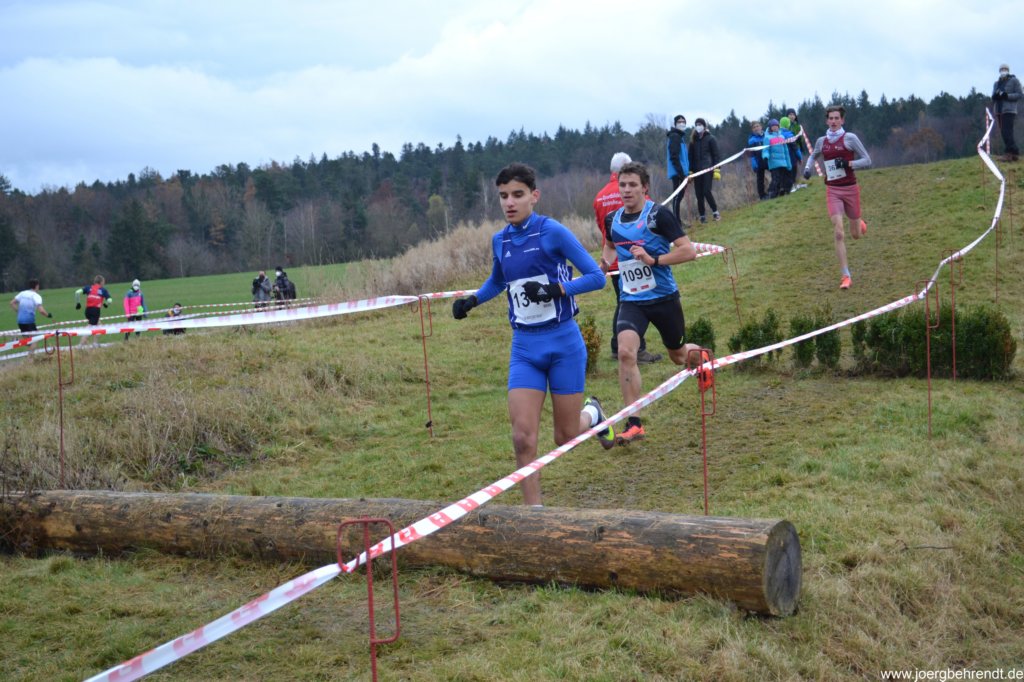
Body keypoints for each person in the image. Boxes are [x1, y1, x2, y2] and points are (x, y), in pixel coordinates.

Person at [451, 163, 613, 507]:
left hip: (564, 344)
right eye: (503, 196)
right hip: (525, 348)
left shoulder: (552, 232)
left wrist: (557, 289)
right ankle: (533, 514)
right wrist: (473, 300)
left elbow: (597, 278)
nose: (509, 203)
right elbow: (499, 280)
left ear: (534, 196)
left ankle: (593, 415)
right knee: (523, 438)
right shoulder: (500, 240)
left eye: (517, 195)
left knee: (564, 436)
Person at [600, 162, 703, 444]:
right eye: (622, 185)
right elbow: (610, 245)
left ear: (644, 188)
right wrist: (605, 263)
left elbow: (689, 251)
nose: (626, 190)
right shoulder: (612, 219)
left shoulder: (659, 215)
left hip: (664, 298)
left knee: (678, 356)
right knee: (625, 353)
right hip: (632, 299)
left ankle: (703, 359)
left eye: (633, 185)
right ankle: (634, 422)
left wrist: (653, 260)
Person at [593, 152, 662, 365]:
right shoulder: (636, 189)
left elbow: (602, 227)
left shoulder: (600, 196)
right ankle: (633, 348)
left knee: (624, 301)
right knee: (634, 304)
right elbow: (649, 219)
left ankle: (621, 346)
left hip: (612, 258)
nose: (627, 189)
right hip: (635, 256)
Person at [802, 105, 873, 290]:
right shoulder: (821, 141)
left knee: (855, 235)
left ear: (842, 120)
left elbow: (867, 160)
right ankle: (846, 276)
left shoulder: (850, 138)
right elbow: (813, 156)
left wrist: (848, 163)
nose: (833, 121)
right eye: (830, 118)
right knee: (839, 232)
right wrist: (807, 169)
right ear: (827, 121)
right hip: (833, 190)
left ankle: (860, 223)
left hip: (850, 189)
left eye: (836, 118)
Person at [688, 118, 721, 223]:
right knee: (699, 194)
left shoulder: (711, 138)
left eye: (700, 124)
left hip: (708, 169)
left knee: (706, 191)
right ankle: (702, 216)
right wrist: (690, 171)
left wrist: (717, 169)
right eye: (696, 124)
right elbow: (690, 157)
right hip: (696, 171)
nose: (698, 126)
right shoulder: (693, 141)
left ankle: (715, 212)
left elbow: (716, 155)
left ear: (704, 126)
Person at [9, 278, 52, 353]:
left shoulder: (23, 293)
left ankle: (17, 340)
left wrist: (19, 312)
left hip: (20, 320)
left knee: (28, 342)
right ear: (37, 286)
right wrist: (48, 315)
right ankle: (30, 358)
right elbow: (41, 310)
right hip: (29, 321)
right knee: (36, 339)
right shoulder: (36, 296)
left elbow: (12, 303)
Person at [992, 63, 1022, 162]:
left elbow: (1020, 94)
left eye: (1005, 69)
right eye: (1002, 69)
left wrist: (1007, 95)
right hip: (999, 111)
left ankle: (1009, 153)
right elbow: (993, 96)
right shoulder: (996, 83)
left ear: (1008, 70)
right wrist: (995, 96)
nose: (1003, 71)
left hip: (1009, 110)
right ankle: (1014, 153)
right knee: (1003, 132)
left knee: (1007, 131)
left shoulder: (1014, 80)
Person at [74, 275, 112, 346]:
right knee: (90, 328)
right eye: (103, 282)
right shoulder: (103, 290)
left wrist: (78, 303)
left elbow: (77, 292)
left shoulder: (88, 288)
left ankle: (95, 343)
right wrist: (106, 304)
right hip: (95, 311)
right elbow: (110, 300)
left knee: (99, 326)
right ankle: (80, 345)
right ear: (101, 282)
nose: (104, 283)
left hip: (87, 310)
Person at [665, 114, 690, 222]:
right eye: (679, 122)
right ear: (675, 124)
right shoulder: (675, 136)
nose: (682, 123)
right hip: (678, 172)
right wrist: (681, 173)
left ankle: (677, 220)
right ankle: (676, 221)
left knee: (679, 196)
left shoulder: (680, 137)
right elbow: (674, 156)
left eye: (683, 122)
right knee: (677, 197)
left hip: (682, 172)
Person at [763, 119, 792, 200]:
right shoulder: (767, 138)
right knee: (776, 179)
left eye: (776, 126)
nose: (775, 127)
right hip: (774, 162)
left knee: (785, 178)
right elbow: (765, 149)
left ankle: (785, 191)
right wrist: (765, 156)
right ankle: (772, 193)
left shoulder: (782, 137)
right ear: (770, 128)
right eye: (773, 126)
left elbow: (786, 150)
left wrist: (788, 163)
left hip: (783, 162)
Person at [779, 116, 803, 193]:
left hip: (781, 159)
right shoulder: (789, 135)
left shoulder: (777, 134)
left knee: (784, 175)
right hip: (791, 158)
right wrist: (799, 157)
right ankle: (791, 187)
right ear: (788, 125)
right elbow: (795, 147)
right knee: (792, 173)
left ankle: (784, 188)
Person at [747, 121, 768, 200]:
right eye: (754, 127)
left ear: (761, 127)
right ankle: (762, 196)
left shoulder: (766, 135)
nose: (756, 128)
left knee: (775, 173)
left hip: (767, 159)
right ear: (752, 129)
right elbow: (751, 153)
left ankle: (774, 189)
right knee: (760, 179)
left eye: (757, 126)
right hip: (758, 161)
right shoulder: (751, 140)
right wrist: (753, 162)